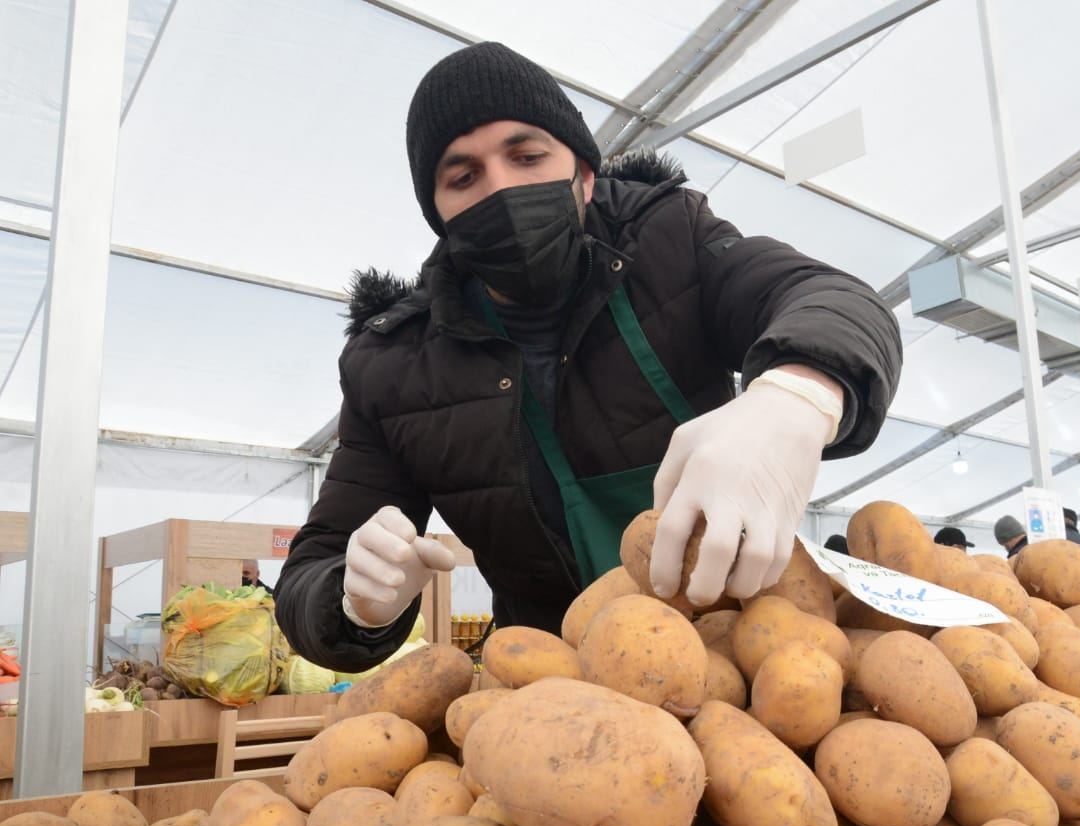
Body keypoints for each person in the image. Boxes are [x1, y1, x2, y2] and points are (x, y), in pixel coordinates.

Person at [274, 43, 902, 672]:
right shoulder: (393, 366)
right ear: (439, 215)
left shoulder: (670, 241)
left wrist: (796, 396)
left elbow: (831, 297)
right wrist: (352, 605)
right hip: (550, 676)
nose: (502, 187)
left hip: (738, 650)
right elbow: (313, 567)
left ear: (585, 172)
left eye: (527, 156)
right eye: (464, 176)